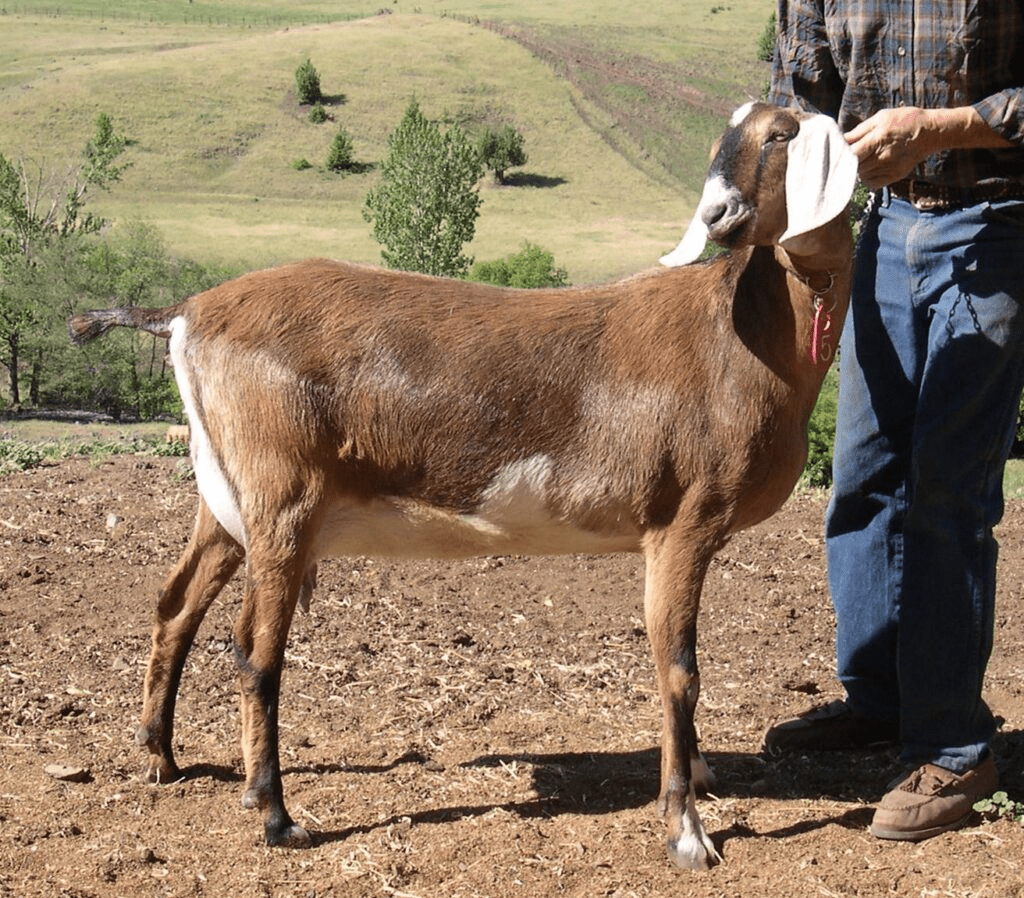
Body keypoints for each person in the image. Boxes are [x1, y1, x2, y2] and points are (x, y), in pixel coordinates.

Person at [765, 1, 1024, 842]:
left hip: (997, 225)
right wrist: (785, 157)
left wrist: (944, 128)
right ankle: (880, 703)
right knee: (864, 480)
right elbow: (799, 89)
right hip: (884, 230)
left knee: (948, 496)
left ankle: (955, 748)